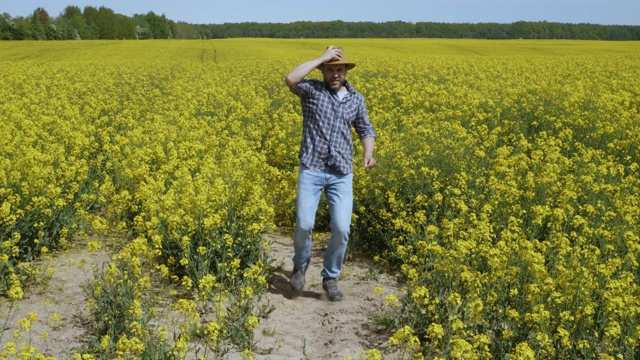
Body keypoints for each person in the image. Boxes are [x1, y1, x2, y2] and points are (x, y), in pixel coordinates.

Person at [285, 45, 376, 301]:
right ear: (323, 70)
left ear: (346, 71)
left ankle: (330, 277)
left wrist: (368, 153)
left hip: (341, 171)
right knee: (304, 224)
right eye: (330, 69)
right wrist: (321, 58)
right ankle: (300, 268)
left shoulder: (357, 99)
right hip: (312, 168)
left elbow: (365, 129)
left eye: (339, 69)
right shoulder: (311, 90)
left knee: (341, 227)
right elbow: (291, 78)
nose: (335, 74)